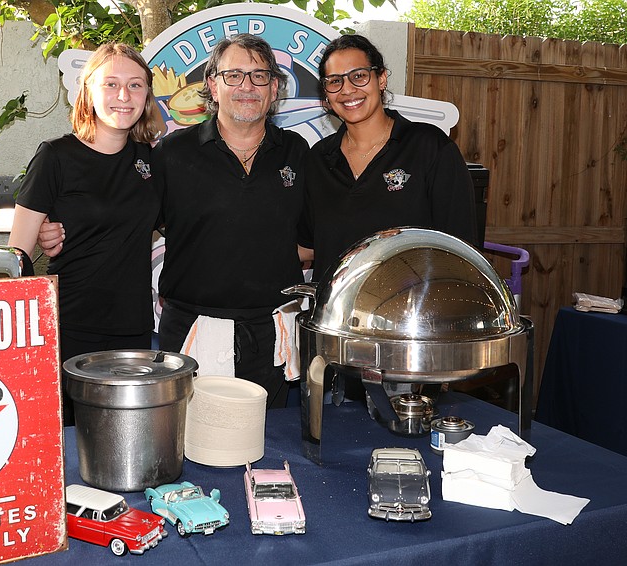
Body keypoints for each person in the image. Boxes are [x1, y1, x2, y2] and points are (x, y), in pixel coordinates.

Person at [39, 34, 308, 409]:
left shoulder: (297, 151)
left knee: (268, 444)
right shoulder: (171, 154)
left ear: (275, 87)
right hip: (189, 330)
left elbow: (314, 233)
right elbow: (123, 213)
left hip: (270, 332)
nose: (246, 86)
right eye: (233, 75)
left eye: (259, 76)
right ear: (212, 85)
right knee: (185, 445)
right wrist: (54, 223)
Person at [8, 43, 164, 425]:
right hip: (68, 328)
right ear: (88, 91)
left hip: (133, 332)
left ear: (146, 97)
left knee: (128, 436)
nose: (123, 96)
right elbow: (15, 260)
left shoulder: (152, 162)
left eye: (135, 85)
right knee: (68, 445)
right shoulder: (55, 157)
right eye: (110, 84)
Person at [298, 34, 478, 280]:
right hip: (333, 314)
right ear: (326, 95)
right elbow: (308, 245)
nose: (348, 89)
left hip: (412, 313)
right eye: (335, 81)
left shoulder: (429, 147)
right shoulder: (318, 159)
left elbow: (461, 250)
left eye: (359, 76)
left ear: (381, 79)